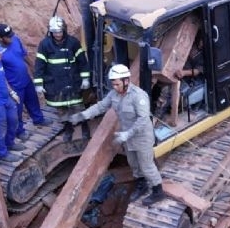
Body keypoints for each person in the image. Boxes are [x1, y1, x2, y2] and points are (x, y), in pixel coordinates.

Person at [69, 64, 165, 206]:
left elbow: (143, 120)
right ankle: (141, 184)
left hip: (141, 137)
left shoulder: (138, 96)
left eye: (117, 84)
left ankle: (158, 192)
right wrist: (83, 115)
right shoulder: (114, 95)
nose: (114, 87)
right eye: (113, 84)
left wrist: (128, 134)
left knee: (146, 165)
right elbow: (101, 106)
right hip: (127, 137)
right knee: (133, 164)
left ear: (126, 81)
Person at [33, 16, 91, 144]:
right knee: (62, 110)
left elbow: (83, 62)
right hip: (55, 85)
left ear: (64, 30)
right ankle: (68, 128)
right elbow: (39, 66)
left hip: (73, 83)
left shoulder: (73, 43)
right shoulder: (45, 45)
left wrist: (85, 78)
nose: (57, 35)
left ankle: (84, 127)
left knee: (78, 106)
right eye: (55, 32)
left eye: (59, 32)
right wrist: (38, 83)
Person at [0, 23, 52, 141]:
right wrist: (9, 89)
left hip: (26, 79)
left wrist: (35, 71)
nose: (11, 38)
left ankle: (38, 119)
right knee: (17, 109)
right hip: (14, 85)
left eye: (11, 35)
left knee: (33, 100)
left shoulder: (15, 40)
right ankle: (19, 131)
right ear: (0, 38)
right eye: (7, 37)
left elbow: (25, 55)